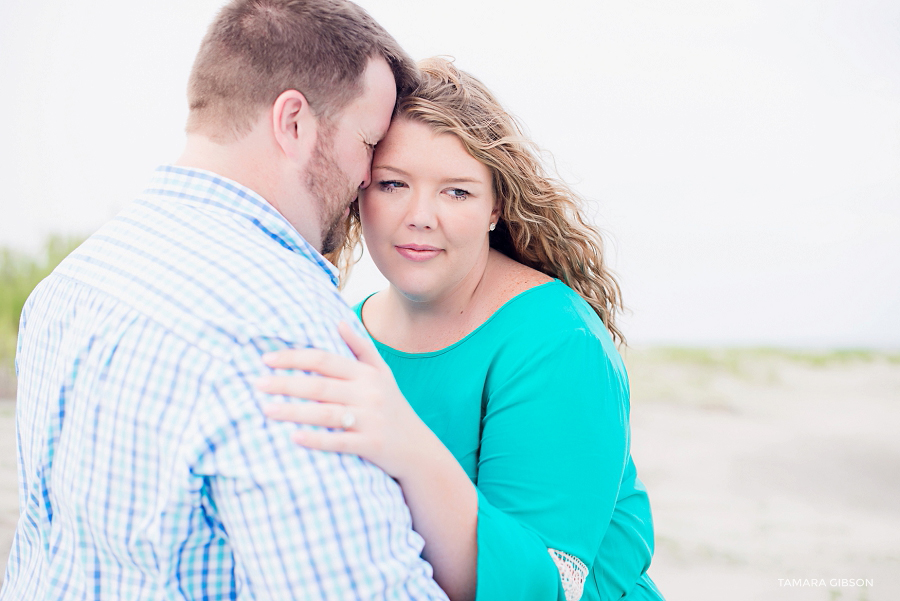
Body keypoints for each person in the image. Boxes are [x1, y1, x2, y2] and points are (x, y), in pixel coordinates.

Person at [1, 1, 450, 599]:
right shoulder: (281, 325)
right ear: (293, 122)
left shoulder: (71, 284)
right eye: (368, 141)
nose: (369, 176)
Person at [257, 58, 666, 601]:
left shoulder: (557, 344)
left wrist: (409, 445)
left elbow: (546, 587)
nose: (420, 215)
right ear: (359, 194)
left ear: (497, 205)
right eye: (393, 184)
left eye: (457, 192)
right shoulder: (347, 327)